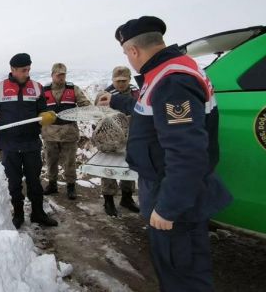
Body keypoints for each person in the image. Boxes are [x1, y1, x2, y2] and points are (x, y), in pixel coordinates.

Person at [98, 16, 232, 292]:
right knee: (176, 266)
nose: (128, 58)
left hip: (173, 194)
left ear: (134, 50)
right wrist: (115, 100)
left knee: (181, 273)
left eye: (126, 53)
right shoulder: (168, 72)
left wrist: (169, 207)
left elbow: (187, 153)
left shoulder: (172, 81)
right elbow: (149, 106)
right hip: (169, 186)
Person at [0, 53, 59, 229]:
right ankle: (19, 214)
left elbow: (43, 110)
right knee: (14, 182)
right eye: (23, 70)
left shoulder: (37, 88)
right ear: (12, 70)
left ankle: (38, 213)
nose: (27, 73)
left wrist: (45, 116)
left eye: (29, 69)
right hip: (10, 145)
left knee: (34, 182)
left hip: (31, 144)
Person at [41, 63, 91, 200]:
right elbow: (36, 110)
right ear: (52, 75)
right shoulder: (43, 91)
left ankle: (71, 186)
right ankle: (52, 185)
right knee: (51, 161)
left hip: (69, 133)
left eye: (63, 74)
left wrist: (79, 112)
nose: (61, 77)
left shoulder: (73, 89)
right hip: (50, 133)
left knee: (69, 162)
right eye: (58, 75)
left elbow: (85, 105)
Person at [96, 66, 140, 216]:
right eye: (118, 81)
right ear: (113, 80)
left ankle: (127, 198)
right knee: (108, 169)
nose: (121, 84)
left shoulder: (136, 92)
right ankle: (108, 200)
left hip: (132, 136)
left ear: (129, 79)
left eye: (124, 80)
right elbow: (96, 116)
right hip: (110, 138)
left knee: (129, 166)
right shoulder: (105, 95)